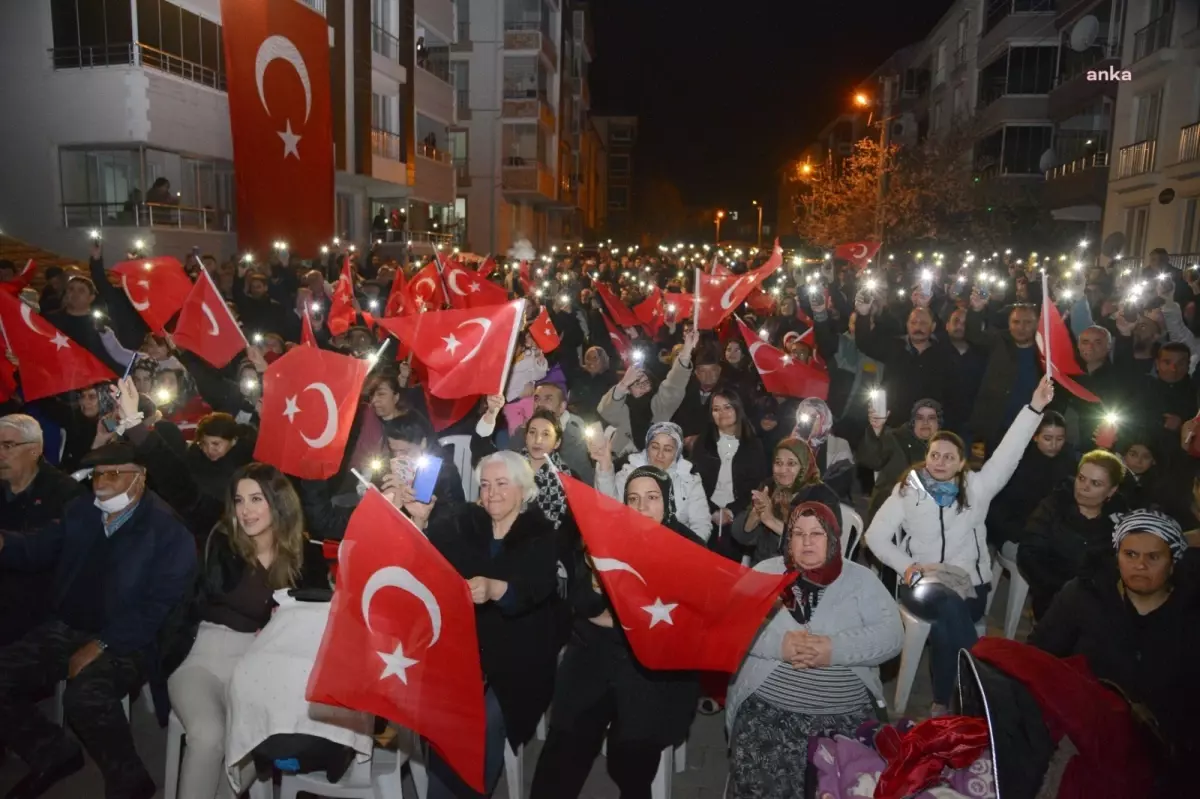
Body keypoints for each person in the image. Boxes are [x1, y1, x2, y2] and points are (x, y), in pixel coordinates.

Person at [0, 442, 197, 799]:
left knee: (86, 695)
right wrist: (4, 542)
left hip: (129, 637)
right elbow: (43, 546)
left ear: (140, 477)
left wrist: (102, 643)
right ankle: (52, 752)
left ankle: (129, 779)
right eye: (97, 475)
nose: (102, 483)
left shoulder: (168, 531)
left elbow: (158, 609)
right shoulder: (82, 511)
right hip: (69, 625)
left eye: (114, 474)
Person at [865, 376, 1054, 714]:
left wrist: (1035, 407)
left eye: (949, 457)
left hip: (971, 585)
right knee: (944, 604)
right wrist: (907, 567)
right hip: (921, 583)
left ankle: (942, 700)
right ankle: (980, 684)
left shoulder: (978, 489)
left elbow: (1009, 453)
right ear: (927, 457)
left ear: (961, 462)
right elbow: (875, 537)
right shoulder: (907, 489)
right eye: (935, 454)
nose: (940, 461)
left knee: (947, 616)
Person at [529, 466, 701, 799]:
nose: (641, 507)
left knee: (630, 762)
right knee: (562, 754)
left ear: (667, 501)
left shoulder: (688, 549)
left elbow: (685, 623)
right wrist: (597, 599)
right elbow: (577, 595)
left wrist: (623, 620)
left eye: (652, 498)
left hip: (651, 671)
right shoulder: (606, 536)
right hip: (593, 656)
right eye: (633, 499)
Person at [409, 451, 560, 799]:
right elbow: (428, 560)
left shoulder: (541, 533)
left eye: (502, 484)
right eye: (486, 485)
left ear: (523, 489)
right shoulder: (467, 522)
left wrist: (497, 589)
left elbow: (537, 588)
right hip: (463, 653)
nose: (491, 493)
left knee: (477, 725)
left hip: (519, 661)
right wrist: (419, 523)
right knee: (443, 718)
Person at [726, 502, 902, 799]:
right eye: (798, 533)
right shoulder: (766, 572)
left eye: (817, 534)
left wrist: (835, 649)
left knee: (840, 784)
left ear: (834, 539)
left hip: (844, 715)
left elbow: (893, 635)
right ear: (788, 539)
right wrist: (778, 645)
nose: (807, 542)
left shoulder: (861, 580)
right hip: (767, 711)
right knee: (764, 780)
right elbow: (731, 625)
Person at [167, 463, 320, 799]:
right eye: (239, 500)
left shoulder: (301, 556)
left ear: (278, 503)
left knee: (260, 742)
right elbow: (250, 601)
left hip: (259, 672)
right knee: (210, 736)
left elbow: (314, 617)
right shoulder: (223, 542)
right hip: (202, 661)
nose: (245, 510)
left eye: (256, 499)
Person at [1029, 510, 1200, 792]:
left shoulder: (1191, 614)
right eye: (1130, 555)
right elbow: (1039, 653)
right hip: (1085, 735)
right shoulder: (1085, 596)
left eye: (1153, 557)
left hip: (1164, 749)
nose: (1140, 565)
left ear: (1172, 563)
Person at [0, 414, 85, 647]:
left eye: (8, 445)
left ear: (35, 450)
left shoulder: (65, 493)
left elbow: (52, 549)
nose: (0, 454)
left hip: (41, 616)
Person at [1018, 450, 1127, 619]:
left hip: (1099, 603)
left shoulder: (1119, 522)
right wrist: (1062, 591)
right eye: (1081, 478)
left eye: (1096, 483)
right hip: (1054, 597)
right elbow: (1029, 554)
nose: (1084, 487)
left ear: (1112, 491)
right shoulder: (1053, 506)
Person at [592, 420, 712, 542]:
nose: (660, 455)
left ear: (676, 453)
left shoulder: (689, 478)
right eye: (655, 447)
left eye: (667, 449)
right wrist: (604, 464)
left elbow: (701, 524)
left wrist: (688, 551)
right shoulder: (630, 470)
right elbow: (609, 505)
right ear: (647, 447)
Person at [732, 438, 841, 566]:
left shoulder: (822, 496)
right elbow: (741, 537)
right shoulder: (770, 486)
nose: (783, 470)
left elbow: (823, 545)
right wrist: (755, 514)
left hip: (805, 571)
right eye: (778, 463)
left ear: (805, 466)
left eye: (791, 464)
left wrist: (771, 521)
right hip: (765, 565)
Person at [690, 389, 768, 560]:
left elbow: (756, 485)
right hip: (705, 511)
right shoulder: (703, 443)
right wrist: (711, 510)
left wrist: (731, 511)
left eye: (727, 407)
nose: (722, 413)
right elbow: (694, 480)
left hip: (738, 514)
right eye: (716, 409)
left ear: (738, 409)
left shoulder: (753, 445)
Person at [985, 411, 1077, 554]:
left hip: (1044, 532)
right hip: (1009, 529)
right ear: (1035, 437)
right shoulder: (1019, 459)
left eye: (1060, 439)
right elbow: (999, 506)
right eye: (1047, 438)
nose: (1054, 445)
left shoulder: (1067, 462)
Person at [596, 329, 697, 458]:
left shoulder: (659, 406)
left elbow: (673, 385)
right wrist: (622, 385)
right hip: (621, 463)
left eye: (646, 382)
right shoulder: (623, 408)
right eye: (637, 383)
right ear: (629, 389)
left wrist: (686, 351)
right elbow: (605, 410)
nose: (643, 386)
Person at [857, 399, 942, 523]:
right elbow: (871, 460)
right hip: (890, 513)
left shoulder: (945, 447)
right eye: (919, 418)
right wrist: (876, 430)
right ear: (913, 422)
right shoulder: (895, 438)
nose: (925, 422)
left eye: (931, 418)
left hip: (928, 517)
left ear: (938, 423)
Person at [790, 397, 854, 502]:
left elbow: (839, 485)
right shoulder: (793, 441)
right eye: (803, 416)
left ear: (824, 419)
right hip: (794, 506)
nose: (808, 421)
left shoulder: (839, 445)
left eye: (813, 416)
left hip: (825, 506)